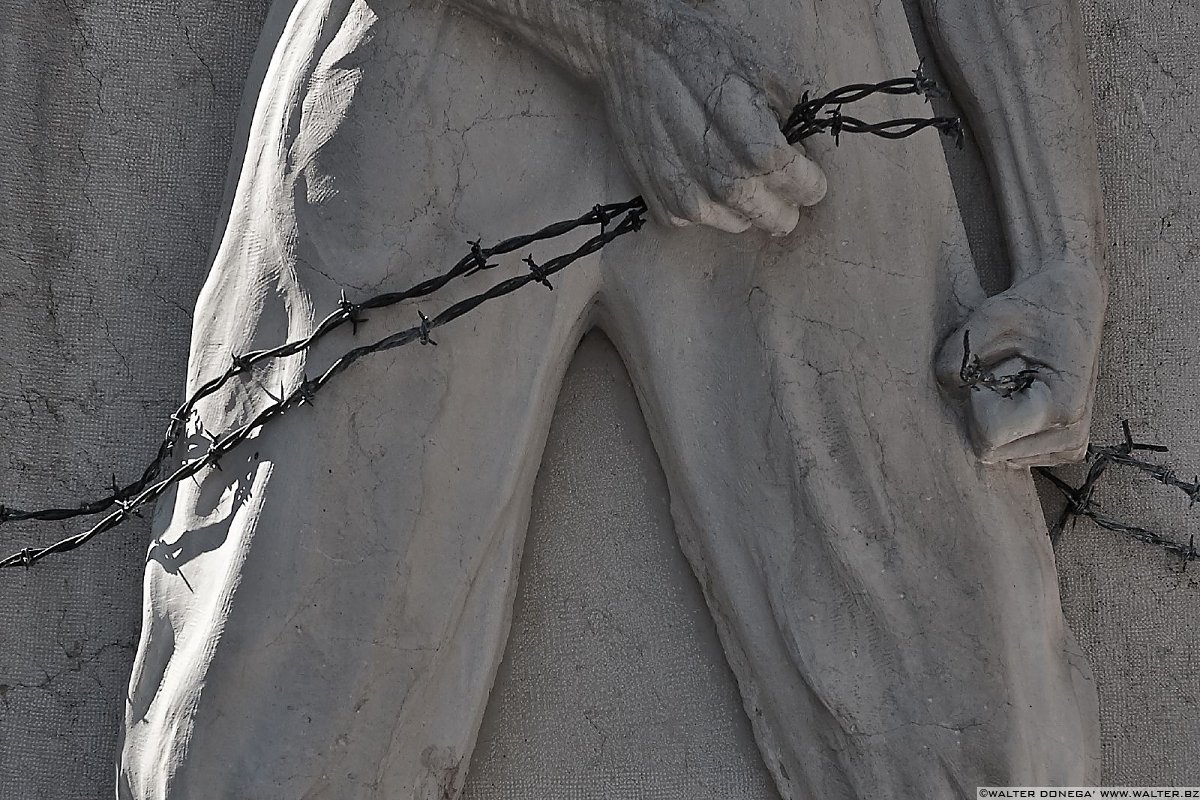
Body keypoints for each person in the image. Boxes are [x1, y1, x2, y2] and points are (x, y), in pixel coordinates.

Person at [118, 0, 1107, 796]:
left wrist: (1061, 250)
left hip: (798, 86)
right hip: (443, 54)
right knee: (273, 713)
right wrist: (618, 30)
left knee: (986, 727)